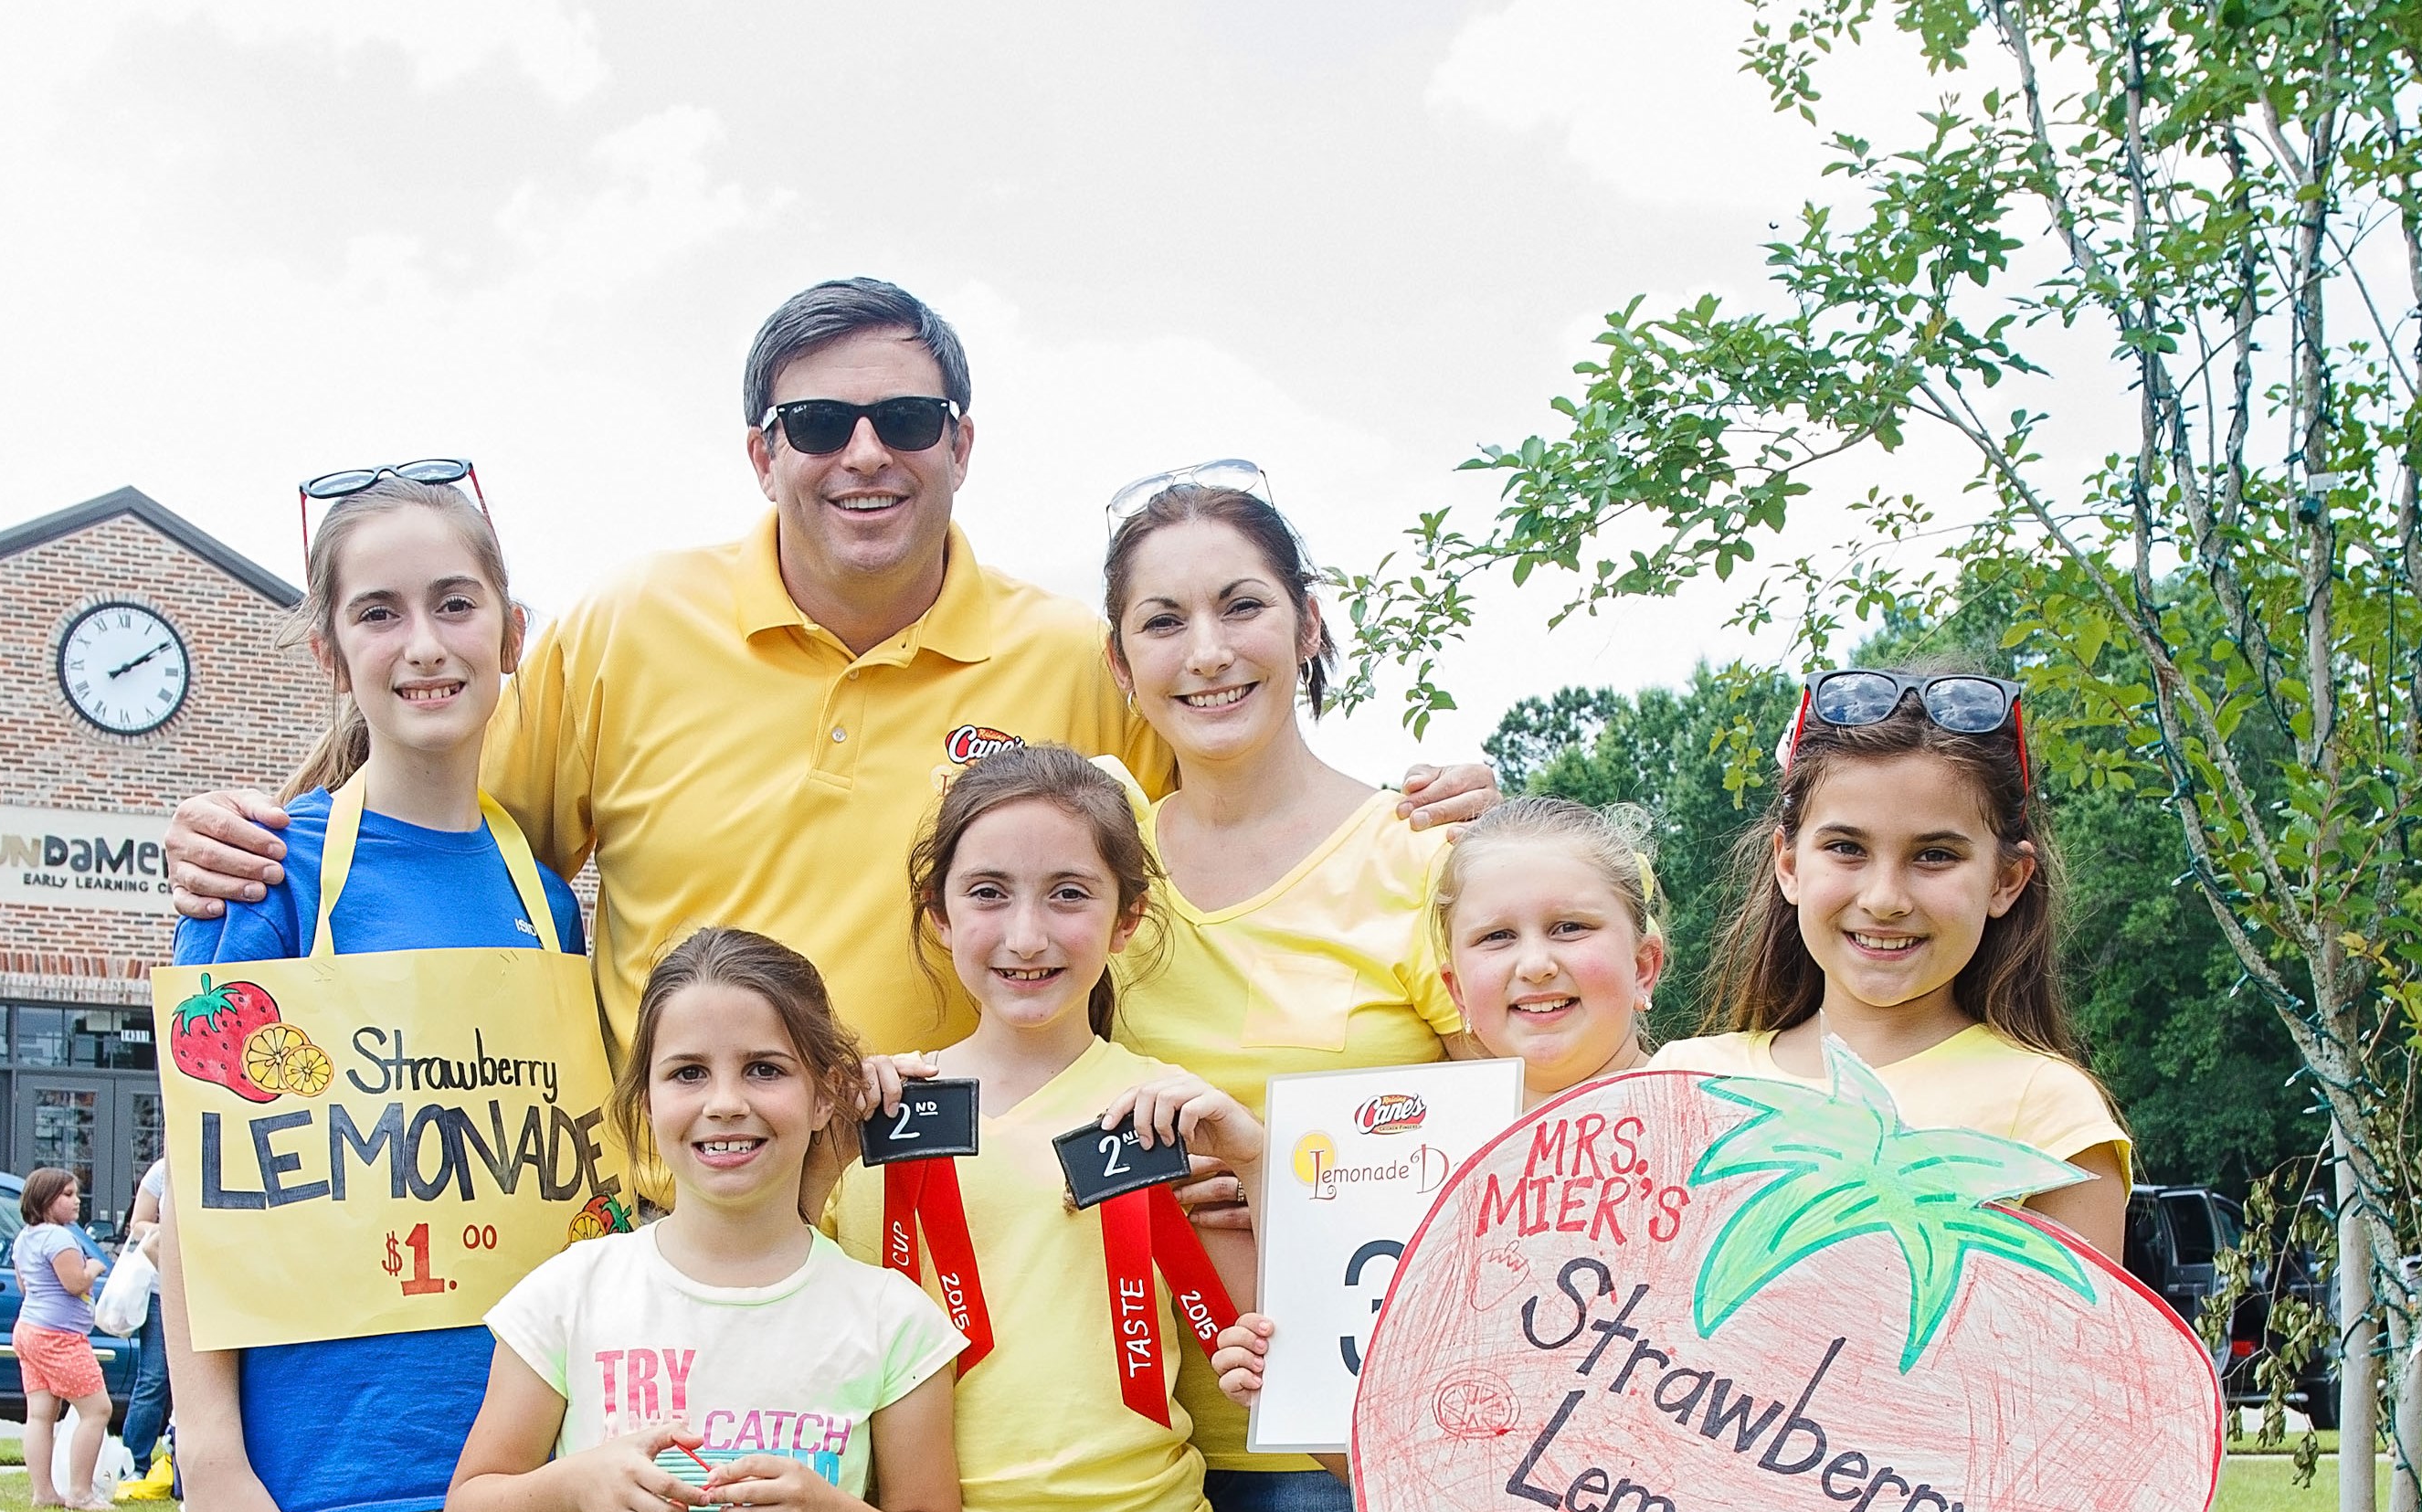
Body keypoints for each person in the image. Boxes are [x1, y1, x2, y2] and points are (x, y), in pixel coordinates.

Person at [161, 280, 1498, 1072]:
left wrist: (1405, 820)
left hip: (971, 1241)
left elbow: (1229, 833)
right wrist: (262, 835)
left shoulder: (1068, 658)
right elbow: (447, 839)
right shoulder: (624, 628)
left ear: (960, 443)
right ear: (762, 454)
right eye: (818, 423)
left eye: (904, 419)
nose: (864, 451)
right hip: (683, 1233)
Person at [155, 471, 588, 1512]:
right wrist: (212, 1465)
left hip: (492, 1449)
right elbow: (203, 1187)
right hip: (317, 1459)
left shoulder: (546, 899)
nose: (423, 644)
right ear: (330, 650)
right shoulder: (263, 874)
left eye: (455, 604)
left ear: (511, 632)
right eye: (380, 612)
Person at [1649, 665, 2133, 1512]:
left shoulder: (2046, 1113)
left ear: (2008, 879)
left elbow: (2070, 1461)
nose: (1884, 895)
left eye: (1936, 855)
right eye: (1846, 847)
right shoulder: (1679, 1080)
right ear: (1786, 862)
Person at [1092, 471, 1479, 1512]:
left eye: (1240, 605)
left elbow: (1510, 1158)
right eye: (1161, 621)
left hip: (1340, 1452)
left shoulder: (1418, 863)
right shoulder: (1095, 875)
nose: (1205, 653)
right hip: (1128, 1440)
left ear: (1308, 624)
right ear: (1119, 658)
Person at [1207, 796, 1667, 1512]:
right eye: (1497, 936)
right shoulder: (1418, 1175)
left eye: (1571, 926)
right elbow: (1385, 1462)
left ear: (1646, 962)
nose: (1535, 960)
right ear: (1456, 989)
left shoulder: (1727, 1128)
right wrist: (1295, 1392)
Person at [837, 744, 1266, 1512]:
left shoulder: (1169, 1112)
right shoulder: (869, 1117)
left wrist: (1252, 1154)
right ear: (939, 914)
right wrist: (816, 1138)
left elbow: (1268, 1330)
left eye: (1067, 892)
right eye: (989, 892)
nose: (1026, 933)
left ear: (1126, 917)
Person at [442, 927, 965, 1512]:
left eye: (764, 1069)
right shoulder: (569, 1294)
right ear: (645, 1101)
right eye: (688, 1073)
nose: (726, 1101)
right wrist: (577, 1484)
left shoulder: (892, 1321)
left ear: (827, 1092)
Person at [13, 1168, 114, 1511]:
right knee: (98, 1410)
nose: (76, 1202)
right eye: (67, 1195)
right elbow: (74, 1283)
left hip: (28, 1331)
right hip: (59, 1337)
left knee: (40, 1414)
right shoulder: (58, 1239)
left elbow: (25, 1287)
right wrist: (95, 1268)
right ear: (44, 1200)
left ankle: (44, 1493)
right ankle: (81, 1493)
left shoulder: (26, 1238)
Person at [117, 1158, 174, 1493]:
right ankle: (133, 1465)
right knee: (153, 1379)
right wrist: (166, 1232)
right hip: (160, 1287)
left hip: (208, 1288)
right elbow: (137, 1224)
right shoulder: (161, 1170)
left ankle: (180, 1467)